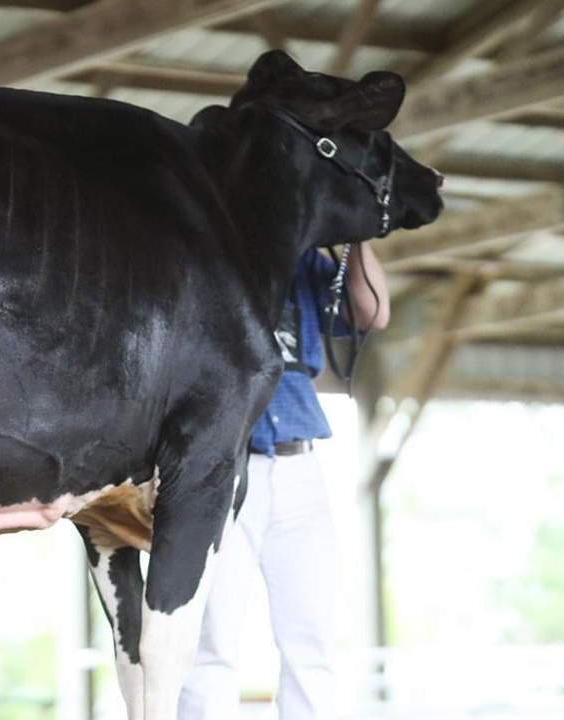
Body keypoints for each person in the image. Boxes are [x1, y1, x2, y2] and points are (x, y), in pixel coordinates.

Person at [178, 243, 390, 720]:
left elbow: (373, 312)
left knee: (311, 640)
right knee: (211, 640)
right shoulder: (205, 251)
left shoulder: (304, 259)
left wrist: (359, 236)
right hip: (221, 468)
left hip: (300, 464)